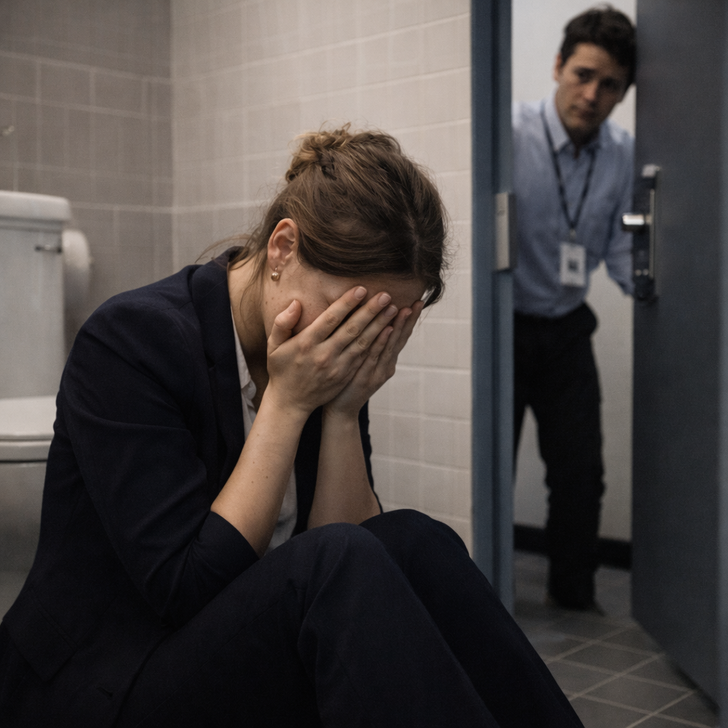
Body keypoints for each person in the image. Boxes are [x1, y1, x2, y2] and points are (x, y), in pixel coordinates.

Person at [0, 126, 583, 727]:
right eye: (349, 313)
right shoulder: (131, 340)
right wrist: (286, 402)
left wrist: (344, 410)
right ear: (282, 249)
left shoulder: (324, 349)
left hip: (225, 652)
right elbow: (185, 592)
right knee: (336, 562)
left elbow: (360, 552)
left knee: (414, 541)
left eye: (382, 324)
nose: (356, 339)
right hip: (106, 681)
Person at [512, 6, 636, 610]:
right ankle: (479, 588)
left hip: (566, 328)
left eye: (609, 84)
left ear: (623, 92)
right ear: (558, 66)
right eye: (583, 75)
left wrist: (678, 304)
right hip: (504, 325)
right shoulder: (510, 133)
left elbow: (624, 250)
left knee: (581, 472)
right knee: (490, 461)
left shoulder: (622, 153)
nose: (591, 95)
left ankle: (574, 596)